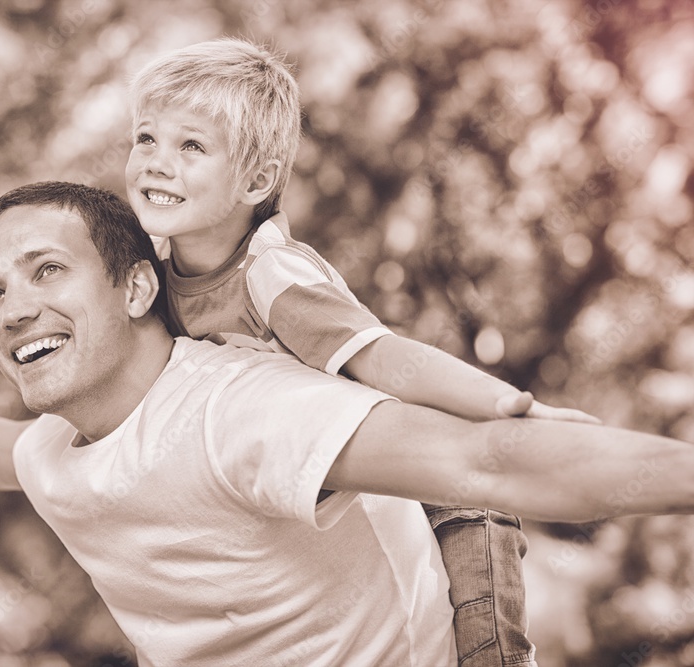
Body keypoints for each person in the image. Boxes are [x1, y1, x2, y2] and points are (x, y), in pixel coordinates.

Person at [0, 181, 694, 666]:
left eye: (45, 271)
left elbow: (490, 461)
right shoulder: (60, 449)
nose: (11, 308)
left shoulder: (241, 415)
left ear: (134, 285)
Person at [122, 38, 597, 666]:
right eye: (146, 138)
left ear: (256, 180)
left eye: (191, 146)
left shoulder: (272, 276)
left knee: (487, 631)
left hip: (428, 470)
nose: (156, 161)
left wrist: (511, 407)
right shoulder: (152, 282)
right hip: (318, 503)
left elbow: (386, 359)